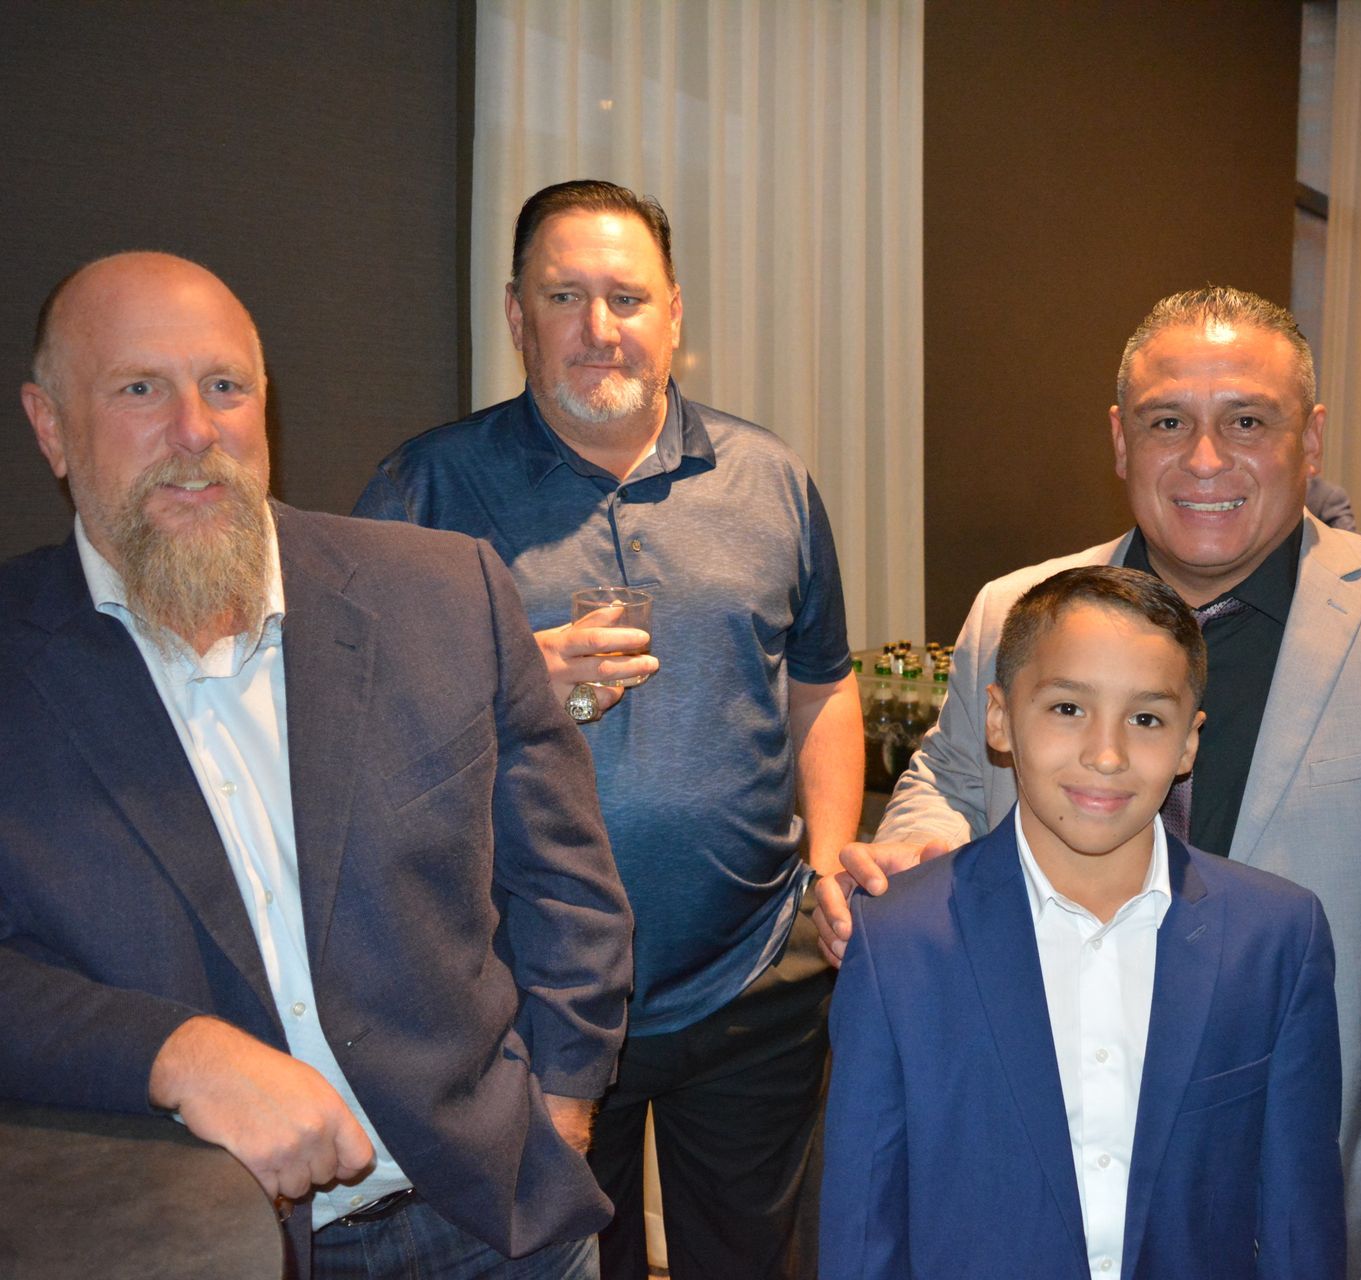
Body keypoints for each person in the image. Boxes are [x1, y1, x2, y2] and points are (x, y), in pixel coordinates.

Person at [820, 286, 1361, 1279]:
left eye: (1248, 422)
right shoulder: (1011, 611)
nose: (1206, 459)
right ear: (1118, 437)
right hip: (1042, 1176)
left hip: (1325, 1174)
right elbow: (948, 774)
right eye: (1167, 422)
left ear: (1311, 438)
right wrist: (915, 839)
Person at [2, 252, 633, 1278]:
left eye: (224, 386)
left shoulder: (442, 593)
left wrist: (563, 1100)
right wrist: (173, 1052)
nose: (194, 433)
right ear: (49, 425)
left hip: (493, 1222)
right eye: (137, 389)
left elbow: (565, 878)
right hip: (202, 1239)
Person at [355, 179, 863, 1280]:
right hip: (527, 995)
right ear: (515, 314)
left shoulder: (771, 479)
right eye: (564, 295)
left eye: (626, 297)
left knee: (754, 1259)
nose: (599, 329)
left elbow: (823, 685)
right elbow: (350, 739)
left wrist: (828, 858)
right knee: (581, 1262)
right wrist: (511, 673)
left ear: (675, 312)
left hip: (752, 978)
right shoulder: (425, 491)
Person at [821, 566, 1343, 1278]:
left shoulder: (1277, 936)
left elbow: (1297, 1222)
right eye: (1068, 709)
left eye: (1147, 719)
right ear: (1000, 718)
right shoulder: (899, 941)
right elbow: (863, 1224)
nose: (1106, 754)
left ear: (1189, 744)